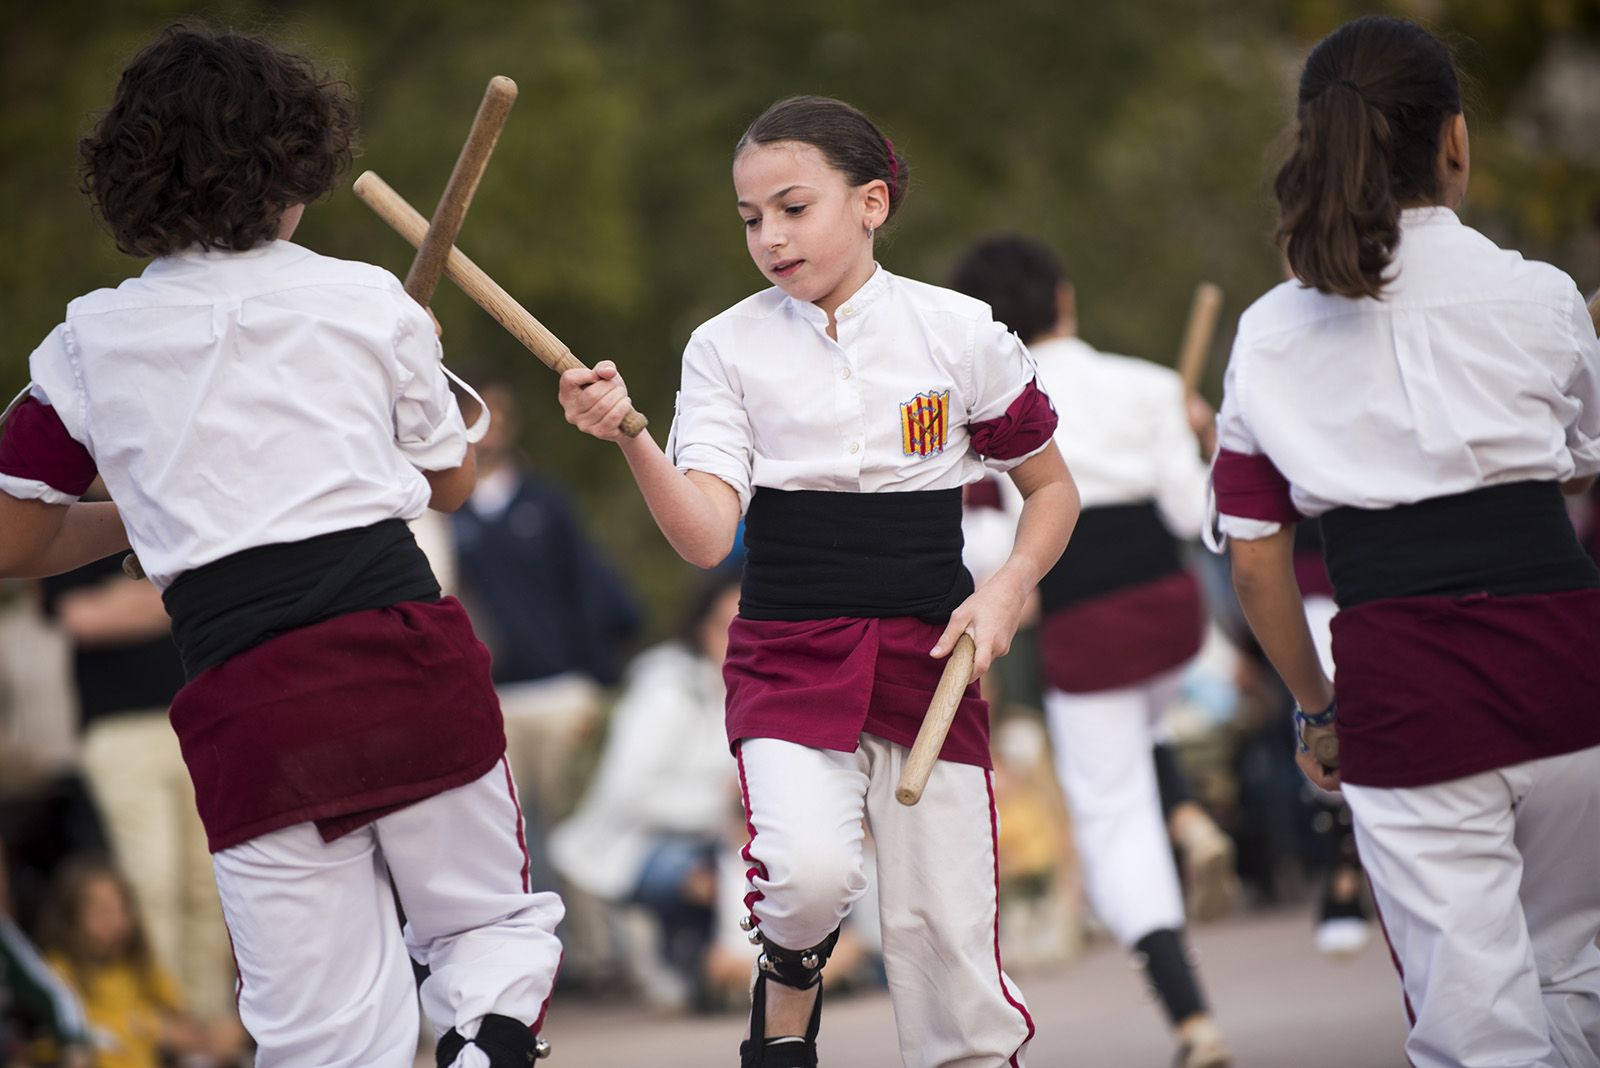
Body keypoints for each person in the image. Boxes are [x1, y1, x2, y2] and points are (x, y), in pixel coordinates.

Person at [0, 24, 562, 1067]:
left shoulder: (85, 344)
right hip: (400, 652)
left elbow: (11, 531)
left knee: (321, 1028)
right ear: (292, 167)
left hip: (248, 697)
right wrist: (409, 356)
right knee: (481, 927)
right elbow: (450, 480)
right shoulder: (366, 302)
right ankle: (486, 1038)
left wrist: (150, 510)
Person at [559, 95, 1077, 1068]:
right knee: (804, 878)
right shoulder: (725, 347)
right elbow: (709, 537)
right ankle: (788, 982)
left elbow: (1051, 492)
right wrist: (631, 436)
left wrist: (1005, 588)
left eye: (793, 208)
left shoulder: (959, 331)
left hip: (933, 654)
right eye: (751, 218)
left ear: (871, 201)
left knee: (946, 942)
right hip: (787, 650)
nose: (770, 236)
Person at [1212, 16, 1600, 1068]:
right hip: (1569, 676)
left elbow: (1254, 554)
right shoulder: (1542, 297)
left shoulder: (1270, 333)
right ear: (1455, 143)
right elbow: (1577, 456)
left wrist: (1316, 712)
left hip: (1409, 700)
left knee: (1476, 1025)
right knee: (1577, 977)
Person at [950, 236, 1232, 1068]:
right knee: (1141, 730)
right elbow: (1197, 518)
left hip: (1086, 629)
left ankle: (1191, 1018)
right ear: (1067, 298)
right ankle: (1184, 810)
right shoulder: (1150, 385)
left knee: (1111, 818)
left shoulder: (992, 416)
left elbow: (987, 543)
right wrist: (1202, 436)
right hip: (1173, 616)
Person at [548, 568, 740, 1008]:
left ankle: (722, 963)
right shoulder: (667, 686)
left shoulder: (753, 687)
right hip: (640, 843)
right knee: (692, 874)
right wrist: (722, 803)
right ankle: (675, 954)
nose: (739, 640)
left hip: (720, 840)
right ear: (702, 628)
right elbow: (628, 791)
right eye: (728, 628)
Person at [39, 859, 223, 1068]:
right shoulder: (59, 971)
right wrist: (148, 1026)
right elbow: (70, 1032)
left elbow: (183, 1020)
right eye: (104, 912)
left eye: (123, 909)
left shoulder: (139, 965)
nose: (117, 922)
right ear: (71, 918)